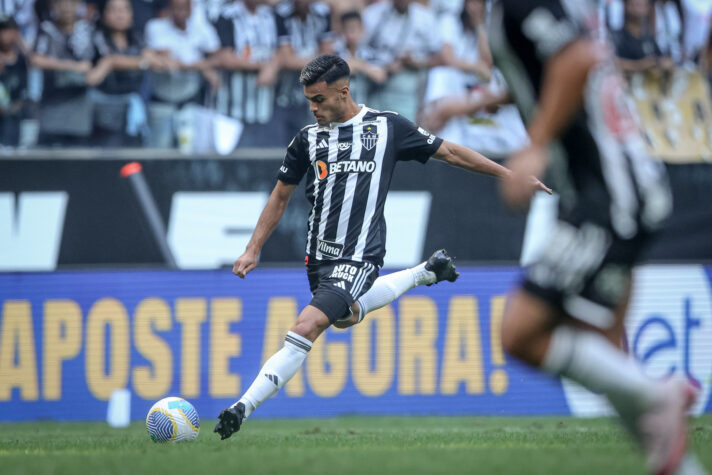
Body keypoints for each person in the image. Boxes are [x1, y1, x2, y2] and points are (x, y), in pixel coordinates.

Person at [213, 54, 551, 439]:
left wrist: (510, 174)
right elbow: (279, 197)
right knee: (342, 316)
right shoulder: (306, 139)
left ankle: (241, 408)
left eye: (319, 100)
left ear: (344, 92)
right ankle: (426, 272)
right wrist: (252, 248)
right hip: (318, 259)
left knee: (308, 324)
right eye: (309, 100)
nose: (313, 108)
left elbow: (451, 152)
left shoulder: (386, 127)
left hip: (361, 255)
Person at [490, 1, 704, 474]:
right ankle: (681, 463)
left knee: (521, 333)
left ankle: (660, 393)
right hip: (618, 185)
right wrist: (486, 104)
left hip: (608, 195)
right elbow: (558, 69)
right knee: (604, 355)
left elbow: (577, 58)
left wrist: (536, 143)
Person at [213, 0, 280, 147]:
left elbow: (279, 50)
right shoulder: (227, 15)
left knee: (260, 154)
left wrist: (272, 67)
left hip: (262, 102)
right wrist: (263, 66)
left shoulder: (270, 15)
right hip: (231, 104)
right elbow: (225, 58)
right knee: (230, 154)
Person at [32, 0, 95, 146]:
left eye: (71, 3)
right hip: (52, 108)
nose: (66, 7)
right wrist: (72, 66)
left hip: (80, 110)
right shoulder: (46, 29)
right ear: (53, 6)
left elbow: (92, 64)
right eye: (62, 3)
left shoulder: (87, 30)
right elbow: (36, 59)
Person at [0, 15, 28, 147]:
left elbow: (25, 88)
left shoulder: (21, 59)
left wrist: (13, 108)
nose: (4, 34)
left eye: (8, 30)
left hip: (14, 116)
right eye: (2, 30)